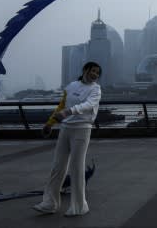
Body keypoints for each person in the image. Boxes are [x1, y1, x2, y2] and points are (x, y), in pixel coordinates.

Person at [33, 61, 102, 217]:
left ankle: (79, 206)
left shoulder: (96, 89)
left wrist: (68, 112)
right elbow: (61, 106)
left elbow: (88, 105)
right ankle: (49, 203)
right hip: (65, 128)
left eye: (98, 73)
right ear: (85, 70)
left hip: (82, 129)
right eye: (93, 71)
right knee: (57, 167)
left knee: (77, 168)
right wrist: (49, 124)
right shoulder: (71, 86)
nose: (95, 74)